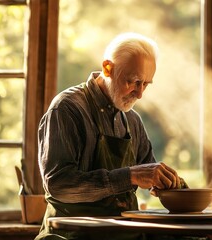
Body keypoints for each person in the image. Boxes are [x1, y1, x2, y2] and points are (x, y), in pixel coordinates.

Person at [35, 32, 181, 240]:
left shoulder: (132, 121)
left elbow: (151, 174)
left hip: (123, 234)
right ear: (107, 68)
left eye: (146, 84)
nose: (140, 94)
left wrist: (174, 184)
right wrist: (129, 176)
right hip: (72, 234)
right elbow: (59, 185)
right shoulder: (67, 109)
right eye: (134, 81)